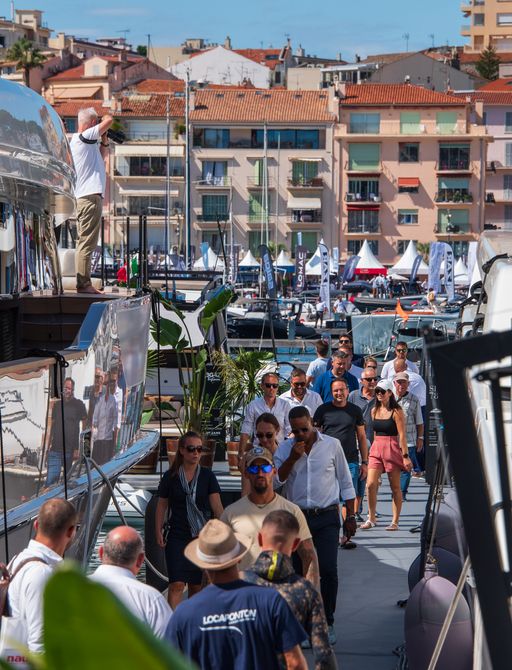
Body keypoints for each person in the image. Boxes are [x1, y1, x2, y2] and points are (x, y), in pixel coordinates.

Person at [166, 519, 308, 670]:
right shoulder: (271, 601)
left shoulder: (184, 614)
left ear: (201, 563)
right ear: (239, 557)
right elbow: (295, 663)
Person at [274, 407, 356, 644]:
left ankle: (327, 622)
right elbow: (277, 480)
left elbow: (346, 482)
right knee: (299, 573)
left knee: (328, 570)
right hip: (297, 518)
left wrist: (350, 516)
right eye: (296, 430)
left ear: (313, 423)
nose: (301, 434)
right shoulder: (285, 449)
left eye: (305, 429)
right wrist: (292, 458)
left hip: (327, 516)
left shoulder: (331, 445)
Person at [244, 511, 337, 670]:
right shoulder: (305, 591)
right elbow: (324, 655)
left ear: (260, 539)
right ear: (295, 545)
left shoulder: (240, 583)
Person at [221, 446, 319, 588]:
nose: (260, 473)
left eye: (265, 468)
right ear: (246, 474)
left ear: (274, 471)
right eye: (254, 469)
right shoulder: (231, 513)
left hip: (279, 597)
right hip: (244, 597)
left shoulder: (292, 511)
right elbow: (217, 560)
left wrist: (311, 596)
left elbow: (308, 556)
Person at [155, 431, 223, 609]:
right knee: (176, 584)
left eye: (199, 449)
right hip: (177, 536)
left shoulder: (208, 476)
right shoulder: (171, 476)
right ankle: (172, 623)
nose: (196, 453)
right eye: (192, 449)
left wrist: (223, 533)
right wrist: (157, 530)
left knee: (195, 585)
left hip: (201, 537)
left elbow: (217, 507)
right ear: (182, 451)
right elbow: (162, 504)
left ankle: (191, 624)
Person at [7, 499, 78, 652]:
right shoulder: (42, 574)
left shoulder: (16, 561)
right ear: (71, 531)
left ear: (36, 525)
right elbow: (40, 645)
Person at [313, 379, 368, 548]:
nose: (339, 393)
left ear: (347, 390)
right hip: (327, 462)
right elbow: (316, 436)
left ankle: (346, 535)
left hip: (350, 460)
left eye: (341, 390)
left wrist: (364, 462)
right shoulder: (323, 410)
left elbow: (361, 437)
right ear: (331, 392)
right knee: (332, 499)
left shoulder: (355, 411)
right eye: (335, 391)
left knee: (347, 498)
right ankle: (334, 533)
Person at [91, 526, 172, 638]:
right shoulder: (151, 600)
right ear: (140, 560)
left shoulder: (71, 588)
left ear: (100, 553)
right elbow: (169, 648)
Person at [70, 107, 113, 294]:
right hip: (89, 197)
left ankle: (84, 282)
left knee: (86, 241)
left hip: (86, 197)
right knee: (87, 242)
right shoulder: (82, 137)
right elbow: (110, 120)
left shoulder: (84, 143)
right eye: (96, 122)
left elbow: (102, 158)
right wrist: (105, 118)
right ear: (92, 124)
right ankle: (83, 284)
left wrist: (104, 141)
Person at [360, 380, 412, 531]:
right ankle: (371, 518)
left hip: (392, 447)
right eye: (377, 391)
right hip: (377, 448)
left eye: (383, 391)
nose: (379, 394)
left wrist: (405, 456)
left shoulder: (397, 412)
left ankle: (395, 521)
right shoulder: (374, 411)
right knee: (370, 484)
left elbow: (402, 436)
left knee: (395, 487)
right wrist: (372, 450)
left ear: (390, 392)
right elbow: (375, 433)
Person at [45, 377, 87, 487]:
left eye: (69, 388)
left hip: (69, 450)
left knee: (66, 484)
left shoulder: (78, 405)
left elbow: (84, 425)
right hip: (54, 450)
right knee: (50, 483)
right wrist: (47, 447)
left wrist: (79, 448)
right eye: (65, 388)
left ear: (72, 390)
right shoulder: (57, 405)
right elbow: (52, 426)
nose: (66, 390)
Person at [348, 368, 378, 520]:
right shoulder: (353, 396)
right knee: (356, 476)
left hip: (374, 443)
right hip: (354, 442)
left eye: (375, 379)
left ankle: (365, 509)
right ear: (362, 381)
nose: (373, 382)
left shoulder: (380, 395)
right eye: (369, 380)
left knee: (370, 480)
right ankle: (355, 510)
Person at [239, 372, 291, 455]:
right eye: (268, 385)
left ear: (277, 387)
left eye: (275, 386)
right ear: (262, 386)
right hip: (258, 450)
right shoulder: (253, 405)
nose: (271, 388)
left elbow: (289, 430)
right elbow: (246, 430)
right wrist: (240, 454)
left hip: (279, 450)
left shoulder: (285, 405)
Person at [393, 372, 425, 496]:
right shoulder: (389, 398)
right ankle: (396, 490)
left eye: (404, 382)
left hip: (409, 439)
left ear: (408, 384)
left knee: (406, 468)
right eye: (399, 382)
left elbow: (420, 422)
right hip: (393, 439)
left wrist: (420, 438)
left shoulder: (414, 399)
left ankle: (402, 493)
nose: (401, 385)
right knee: (394, 468)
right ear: (394, 383)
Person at [91, 372, 118, 465]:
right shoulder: (100, 400)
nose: (107, 387)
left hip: (108, 439)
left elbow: (115, 420)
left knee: (106, 463)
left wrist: (115, 441)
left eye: (109, 385)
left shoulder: (113, 400)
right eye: (106, 385)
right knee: (96, 463)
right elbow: (95, 419)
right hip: (98, 439)